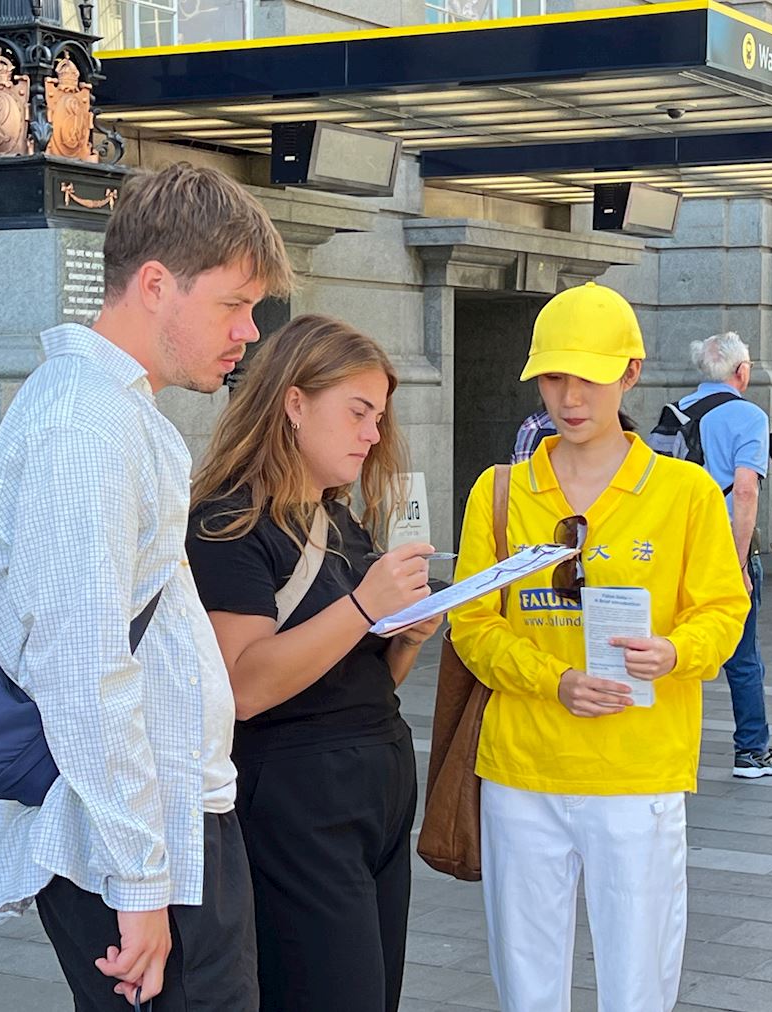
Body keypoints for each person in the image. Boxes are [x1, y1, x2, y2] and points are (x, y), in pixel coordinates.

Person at [0, 162, 293, 1011]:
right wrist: (141, 881)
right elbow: (83, 666)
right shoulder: (85, 426)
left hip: (160, 823)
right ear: (155, 285)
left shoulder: (107, 411)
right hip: (136, 847)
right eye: (233, 304)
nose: (249, 331)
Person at [450, 282, 748, 1012]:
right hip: (522, 771)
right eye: (554, 377)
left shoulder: (685, 493)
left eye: (589, 375)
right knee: (526, 982)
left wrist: (675, 651)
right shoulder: (500, 491)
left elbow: (723, 608)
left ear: (631, 373)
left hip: (639, 773)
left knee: (638, 981)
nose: (570, 397)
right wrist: (554, 680)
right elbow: (473, 624)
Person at [185, 315, 442, 1012]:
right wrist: (363, 606)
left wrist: (407, 638)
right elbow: (242, 687)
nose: (372, 434)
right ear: (294, 403)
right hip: (299, 796)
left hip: (376, 786)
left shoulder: (339, 520)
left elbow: (358, 683)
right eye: (357, 412)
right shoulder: (228, 523)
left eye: (378, 418)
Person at [679, 333, 772, 779]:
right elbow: (745, 490)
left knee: (676, 648)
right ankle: (752, 750)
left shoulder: (676, 412)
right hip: (723, 544)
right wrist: (739, 564)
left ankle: (671, 745)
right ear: (742, 371)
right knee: (743, 655)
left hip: (677, 546)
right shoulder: (748, 415)